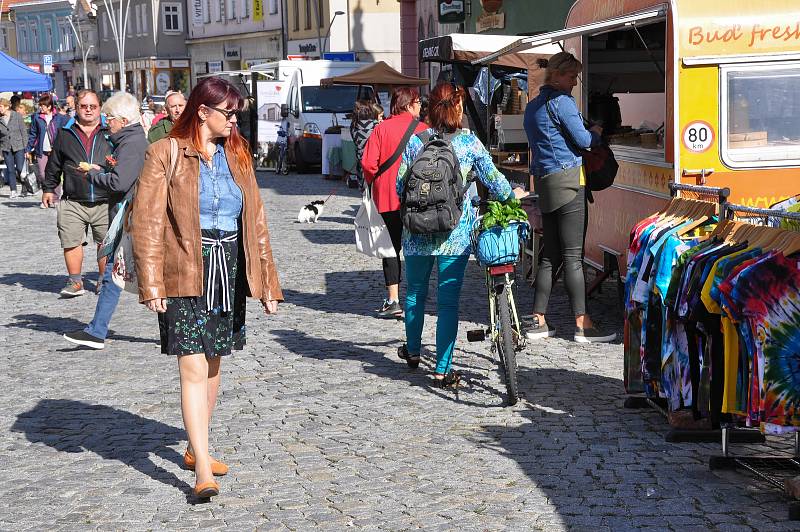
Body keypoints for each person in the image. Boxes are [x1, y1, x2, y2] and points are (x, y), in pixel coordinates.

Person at [130, 77, 283, 498]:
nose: (235, 120)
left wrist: (267, 282)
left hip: (228, 269)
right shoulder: (165, 153)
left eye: (237, 113)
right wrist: (152, 282)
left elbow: (256, 221)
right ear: (203, 112)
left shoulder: (238, 153)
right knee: (193, 367)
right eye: (229, 113)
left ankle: (196, 449)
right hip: (184, 269)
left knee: (214, 363)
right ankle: (202, 474)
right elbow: (146, 222)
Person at [396, 81, 526, 385]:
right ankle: (442, 368)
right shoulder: (469, 144)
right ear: (459, 107)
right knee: (447, 303)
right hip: (455, 233)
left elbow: (400, 186)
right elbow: (496, 182)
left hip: (416, 233)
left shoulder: (417, 142)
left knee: (414, 293)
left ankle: (413, 353)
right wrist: (512, 197)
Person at [523, 52, 615, 343]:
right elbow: (584, 141)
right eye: (572, 76)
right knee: (574, 257)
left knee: (550, 255)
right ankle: (582, 323)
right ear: (559, 75)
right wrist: (597, 131)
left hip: (546, 182)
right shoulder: (562, 103)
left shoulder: (533, 106)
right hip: (570, 182)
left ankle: (538, 318)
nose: (574, 82)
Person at [62, 92, 149, 349]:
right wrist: (102, 170)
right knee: (112, 274)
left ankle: (98, 331)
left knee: (140, 275)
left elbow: (120, 182)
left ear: (123, 120)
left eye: (108, 117)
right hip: (124, 215)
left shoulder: (131, 142)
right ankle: (97, 331)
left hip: (129, 217)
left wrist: (92, 176)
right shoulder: (125, 139)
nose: (105, 121)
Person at [361, 87, 428, 318]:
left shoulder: (382, 129)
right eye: (418, 102)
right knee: (417, 248)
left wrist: (376, 182)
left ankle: (393, 300)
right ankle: (416, 298)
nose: (420, 106)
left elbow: (368, 164)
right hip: (418, 200)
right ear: (409, 104)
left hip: (387, 198)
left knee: (390, 249)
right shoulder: (425, 131)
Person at [42, 89, 114, 297]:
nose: (89, 110)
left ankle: (103, 281)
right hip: (73, 199)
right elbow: (54, 163)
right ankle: (75, 282)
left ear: (100, 108)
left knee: (105, 243)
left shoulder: (110, 130)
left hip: (105, 197)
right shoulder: (65, 132)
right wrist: (48, 188)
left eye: (93, 106)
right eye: (84, 106)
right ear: (76, 108)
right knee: (71, 241)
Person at [26, 93, 69, 198]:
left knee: (55, 174)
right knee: (42, 174)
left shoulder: (59, 117)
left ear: (49, 106)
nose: (40, 107)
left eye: (42, 106)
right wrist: (27, 149)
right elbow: (33, 134)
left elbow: (68, 127)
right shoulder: (37, 118)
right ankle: (47, 195)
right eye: (40, 105)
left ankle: (55, 197)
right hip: (42, 149)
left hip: (55, 150)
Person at [0, 98, 30, 198]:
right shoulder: (0, 119)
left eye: (1, 107)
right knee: (10, 170)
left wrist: (26, 148)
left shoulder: (17, 116)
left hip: (19, 146)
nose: (0, 109)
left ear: (7, 106)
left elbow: (24, 132)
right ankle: (13, 190)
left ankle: (25, 188)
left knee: (21, 169)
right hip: (6, 147)